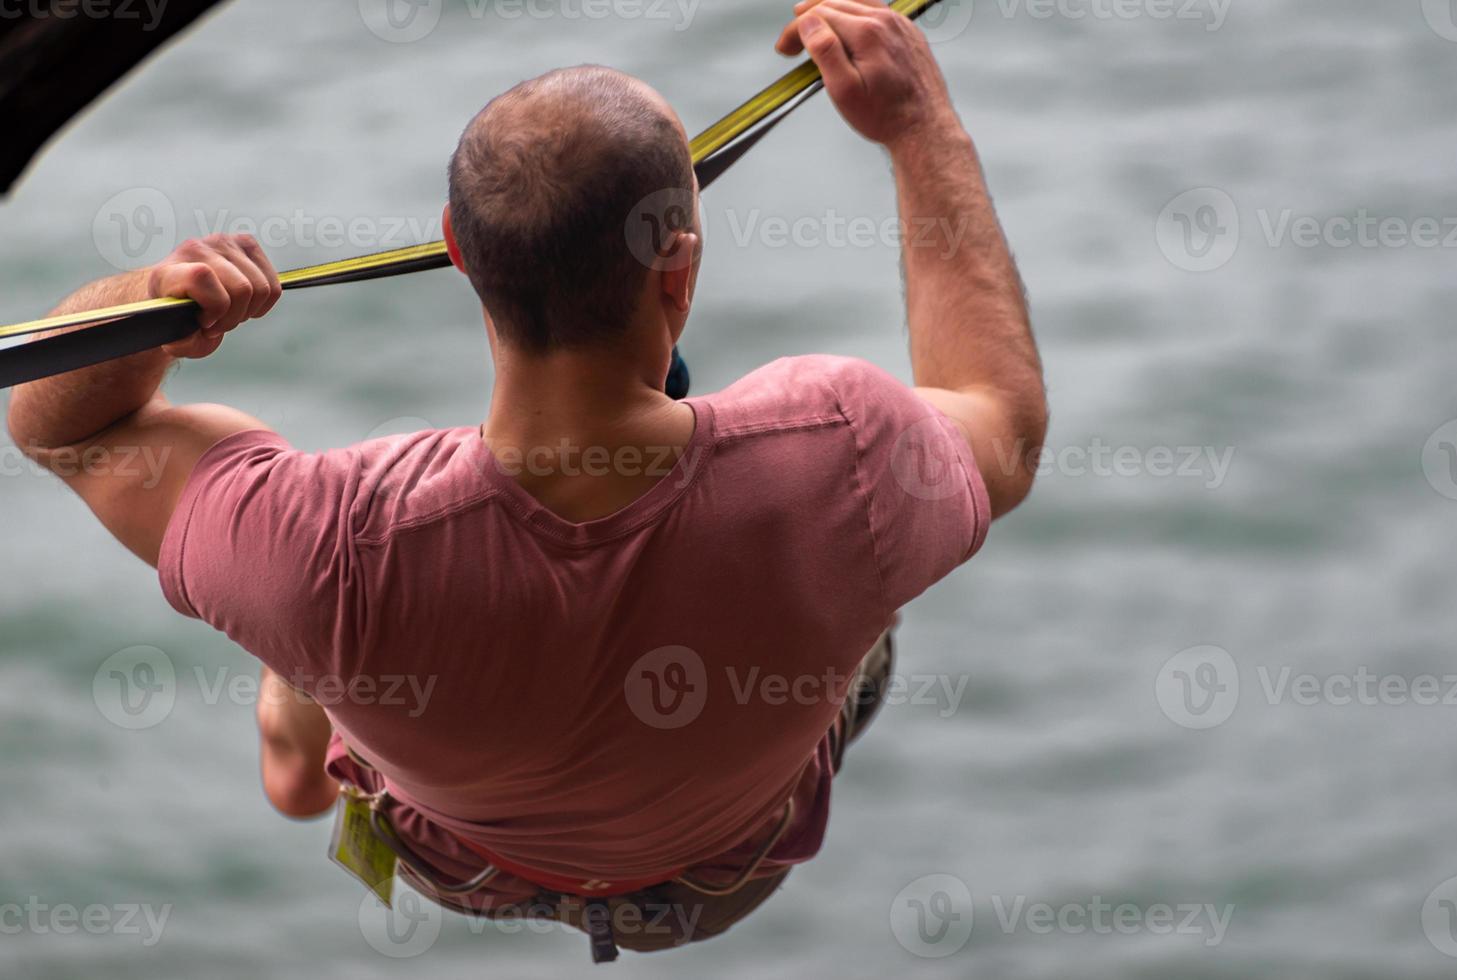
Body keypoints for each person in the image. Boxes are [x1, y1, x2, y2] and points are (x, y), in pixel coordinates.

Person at [7, 0, 1046, 961]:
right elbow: (1000, 420)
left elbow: (58, 427)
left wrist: (152, 298)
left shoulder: (322, 537)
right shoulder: (842, 449)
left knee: (295, 604)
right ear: (677, 269)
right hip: (717, 874)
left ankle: (299, 740)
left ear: (456, 250)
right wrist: (916, 123)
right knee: (871, 579)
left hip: (465, 862)